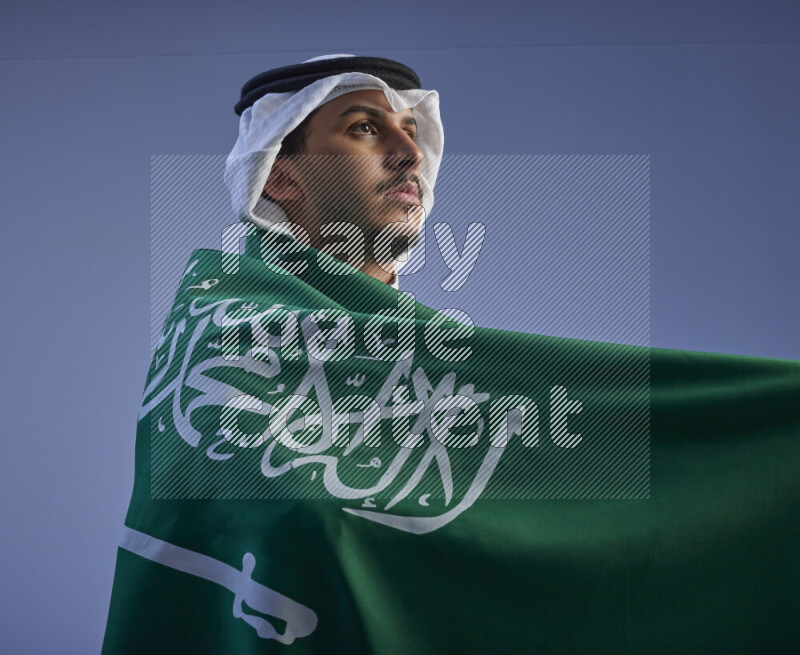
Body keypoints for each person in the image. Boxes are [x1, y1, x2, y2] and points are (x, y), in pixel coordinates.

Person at [102, 54, 800, 654]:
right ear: (281, 177)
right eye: (364, 128)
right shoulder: (226, 331)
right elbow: (278, 527)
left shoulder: (446, 372)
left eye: (411, 132)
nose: (409, 154)